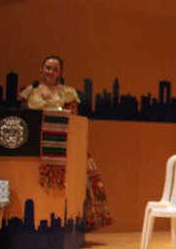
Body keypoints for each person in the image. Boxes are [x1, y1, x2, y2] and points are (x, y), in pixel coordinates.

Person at [19, 55, 112, 231]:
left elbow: (73, 119)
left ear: (61, 72)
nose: (50, 72)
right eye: (48, 68)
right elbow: (23, 117)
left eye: (55, 69)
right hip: (36, 145)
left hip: (63, 145)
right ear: (41, 69)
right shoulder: (30, 92)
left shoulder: (68, 93)